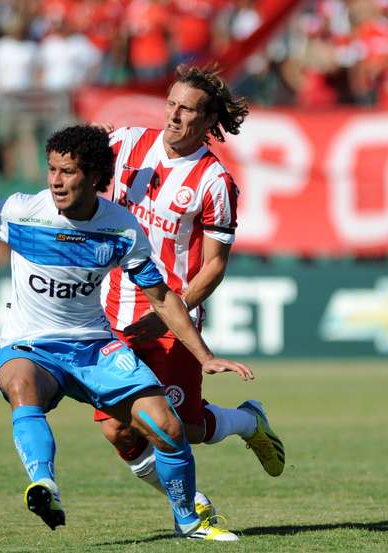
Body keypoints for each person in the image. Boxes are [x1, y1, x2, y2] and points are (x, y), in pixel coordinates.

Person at [0, 125, 252, 541]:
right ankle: (43, 484)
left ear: (92, 177)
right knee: (21, 384)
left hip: (92, 346)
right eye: (51, 169)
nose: (55, 180)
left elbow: (161, 297)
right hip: (31, 347)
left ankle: (189, 522)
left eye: (67, 171)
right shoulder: (23, 211)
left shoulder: (121, 228)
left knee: (168, 426)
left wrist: (204, 356)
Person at [92, 65, 286, 515]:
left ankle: (247, 420)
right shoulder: (124, 144)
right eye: (171, 105)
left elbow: (215, 266)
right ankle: (192, 505)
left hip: (168, 318)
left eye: (188, 110)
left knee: (185, 426)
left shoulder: (215, 182)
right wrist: (88, 144)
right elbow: (77, 181)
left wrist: (166, 315)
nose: (175, 116)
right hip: (111, 311)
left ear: (207, 120)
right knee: (119, 429)